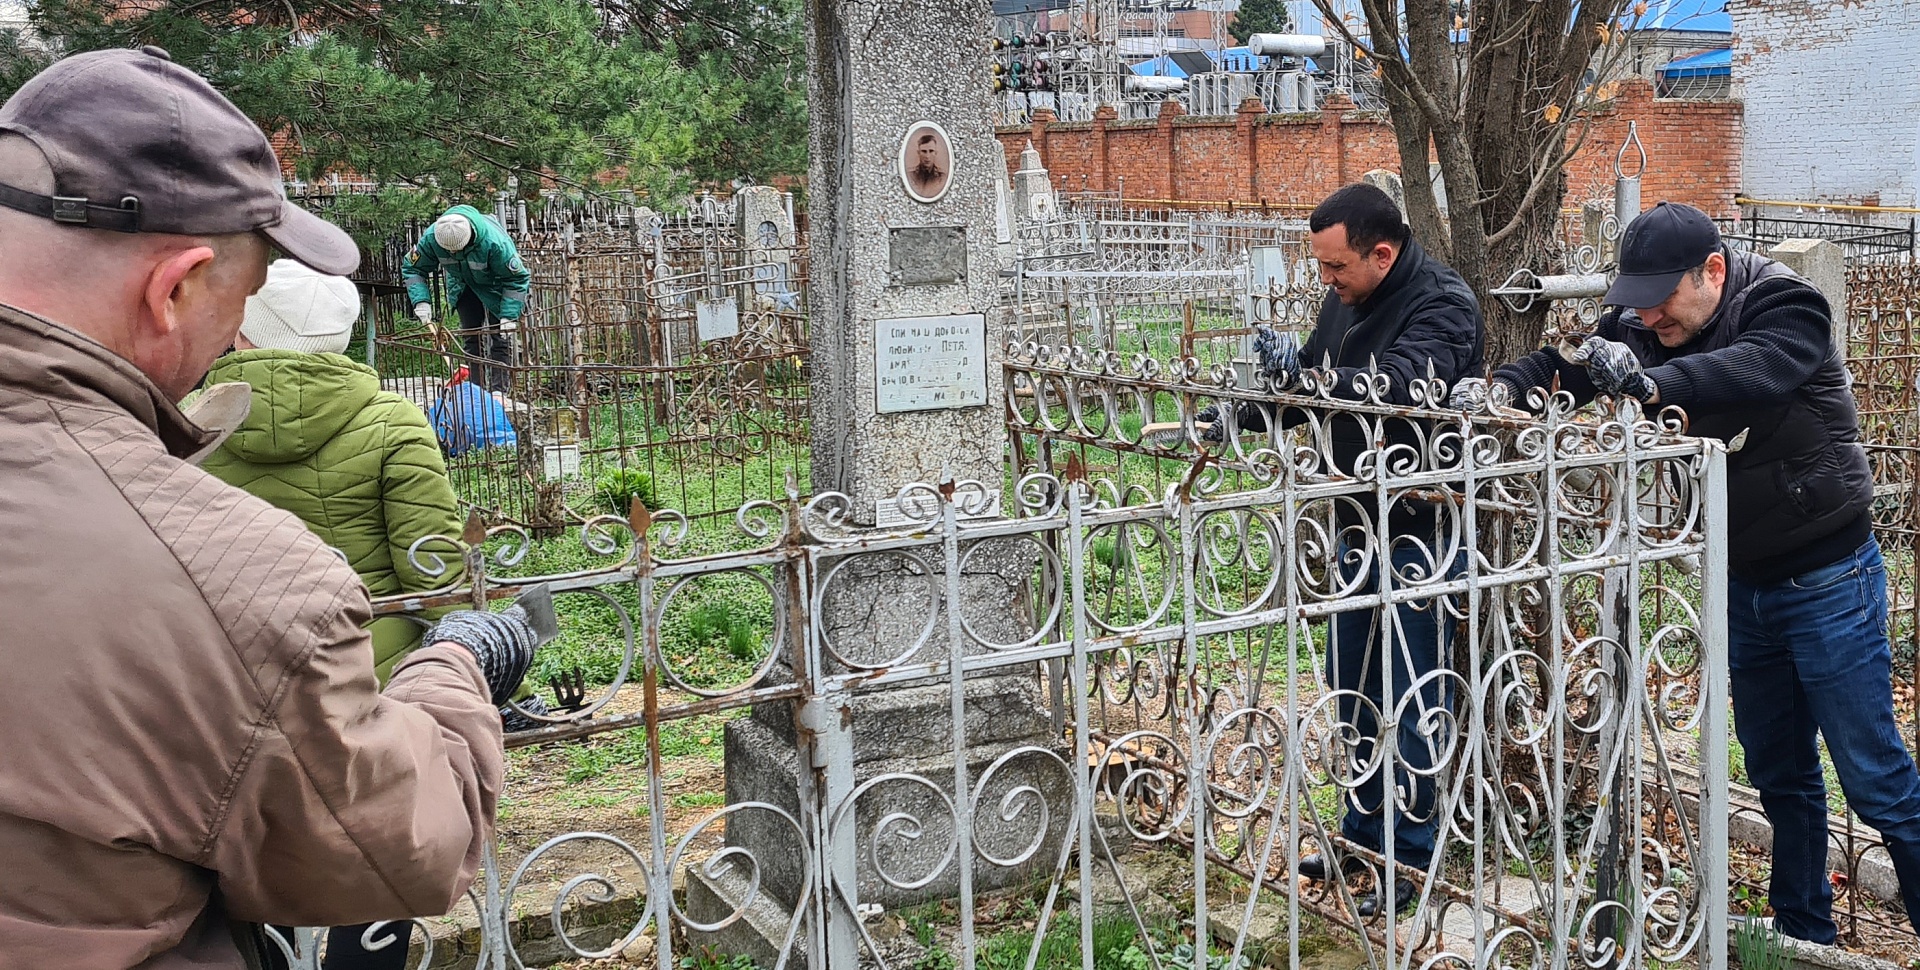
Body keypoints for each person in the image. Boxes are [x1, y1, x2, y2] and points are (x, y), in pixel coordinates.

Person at [0, 47, 540, 969]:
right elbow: (407, 840)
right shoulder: (240, 580)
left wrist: (479, 317)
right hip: (351, 719)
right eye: (237, 300)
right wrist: (459, 654)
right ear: (173, 290)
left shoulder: (482, 244)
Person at [1458, 201, 1917, 945]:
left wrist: (1646, 386)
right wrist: (1506, 387)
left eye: (1660, 299)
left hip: (1830, 575)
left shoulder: (1785, 305)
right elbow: (1566, 369)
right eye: (1635, 305)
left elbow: (1752, 370)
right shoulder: (1645, 322)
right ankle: (1803, 934)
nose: (1647, 319)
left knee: (1874, 779)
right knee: (1779, 774)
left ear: (1711, 271)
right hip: (1743, 580)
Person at [1213, 183, 1485, 916]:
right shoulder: (1346, 296)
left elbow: (1397, 386)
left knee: (1412, 697)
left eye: (1335, 268)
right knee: (1354, 692)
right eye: (1323, 269)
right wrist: (1241, 415)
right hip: (1357, 527)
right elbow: (1309, 380)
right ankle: (1363, 838)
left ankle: (1413, 862)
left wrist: (1308, 377)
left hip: (1424, 533)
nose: (1325, 282)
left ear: (1382, 253)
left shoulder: (1444, 304)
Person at [402, 205, 532, 394]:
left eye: (457, 249)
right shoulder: (432, 238)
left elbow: (517, 278)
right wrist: (421, 300)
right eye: (449, 251)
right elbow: (412, 268)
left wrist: (509, 315)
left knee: (500, 336)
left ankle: (499, 392)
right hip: (463, 285)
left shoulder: (495, 243)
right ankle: (475, 391)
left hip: (496, 286)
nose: (453, 254)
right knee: (471, 337)